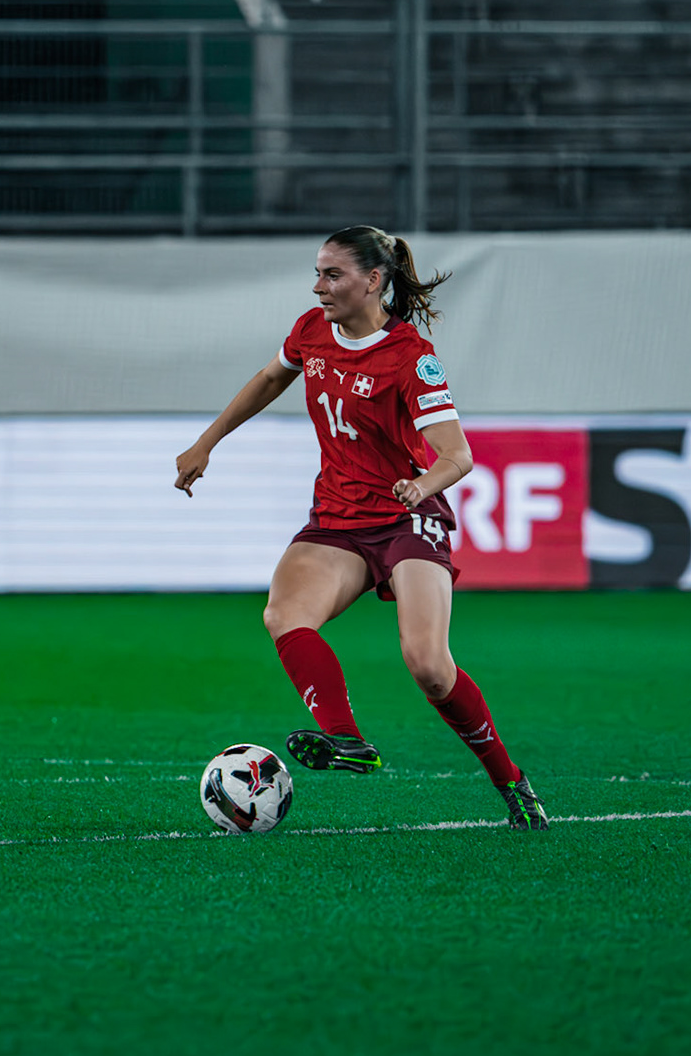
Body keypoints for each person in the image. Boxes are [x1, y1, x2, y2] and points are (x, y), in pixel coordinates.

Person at [174, 226, 547, 830]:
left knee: (428, 664)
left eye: (332, 275)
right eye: (318, 273)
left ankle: (511, 781)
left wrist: (422, 486)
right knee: (283, 615)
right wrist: (206, 443)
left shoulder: (410, 356)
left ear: (373, 280)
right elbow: (272, 378)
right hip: (339, 518)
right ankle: (348, 742)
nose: (318, 286)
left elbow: (458, 454)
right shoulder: (310, 331)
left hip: (406, 518)